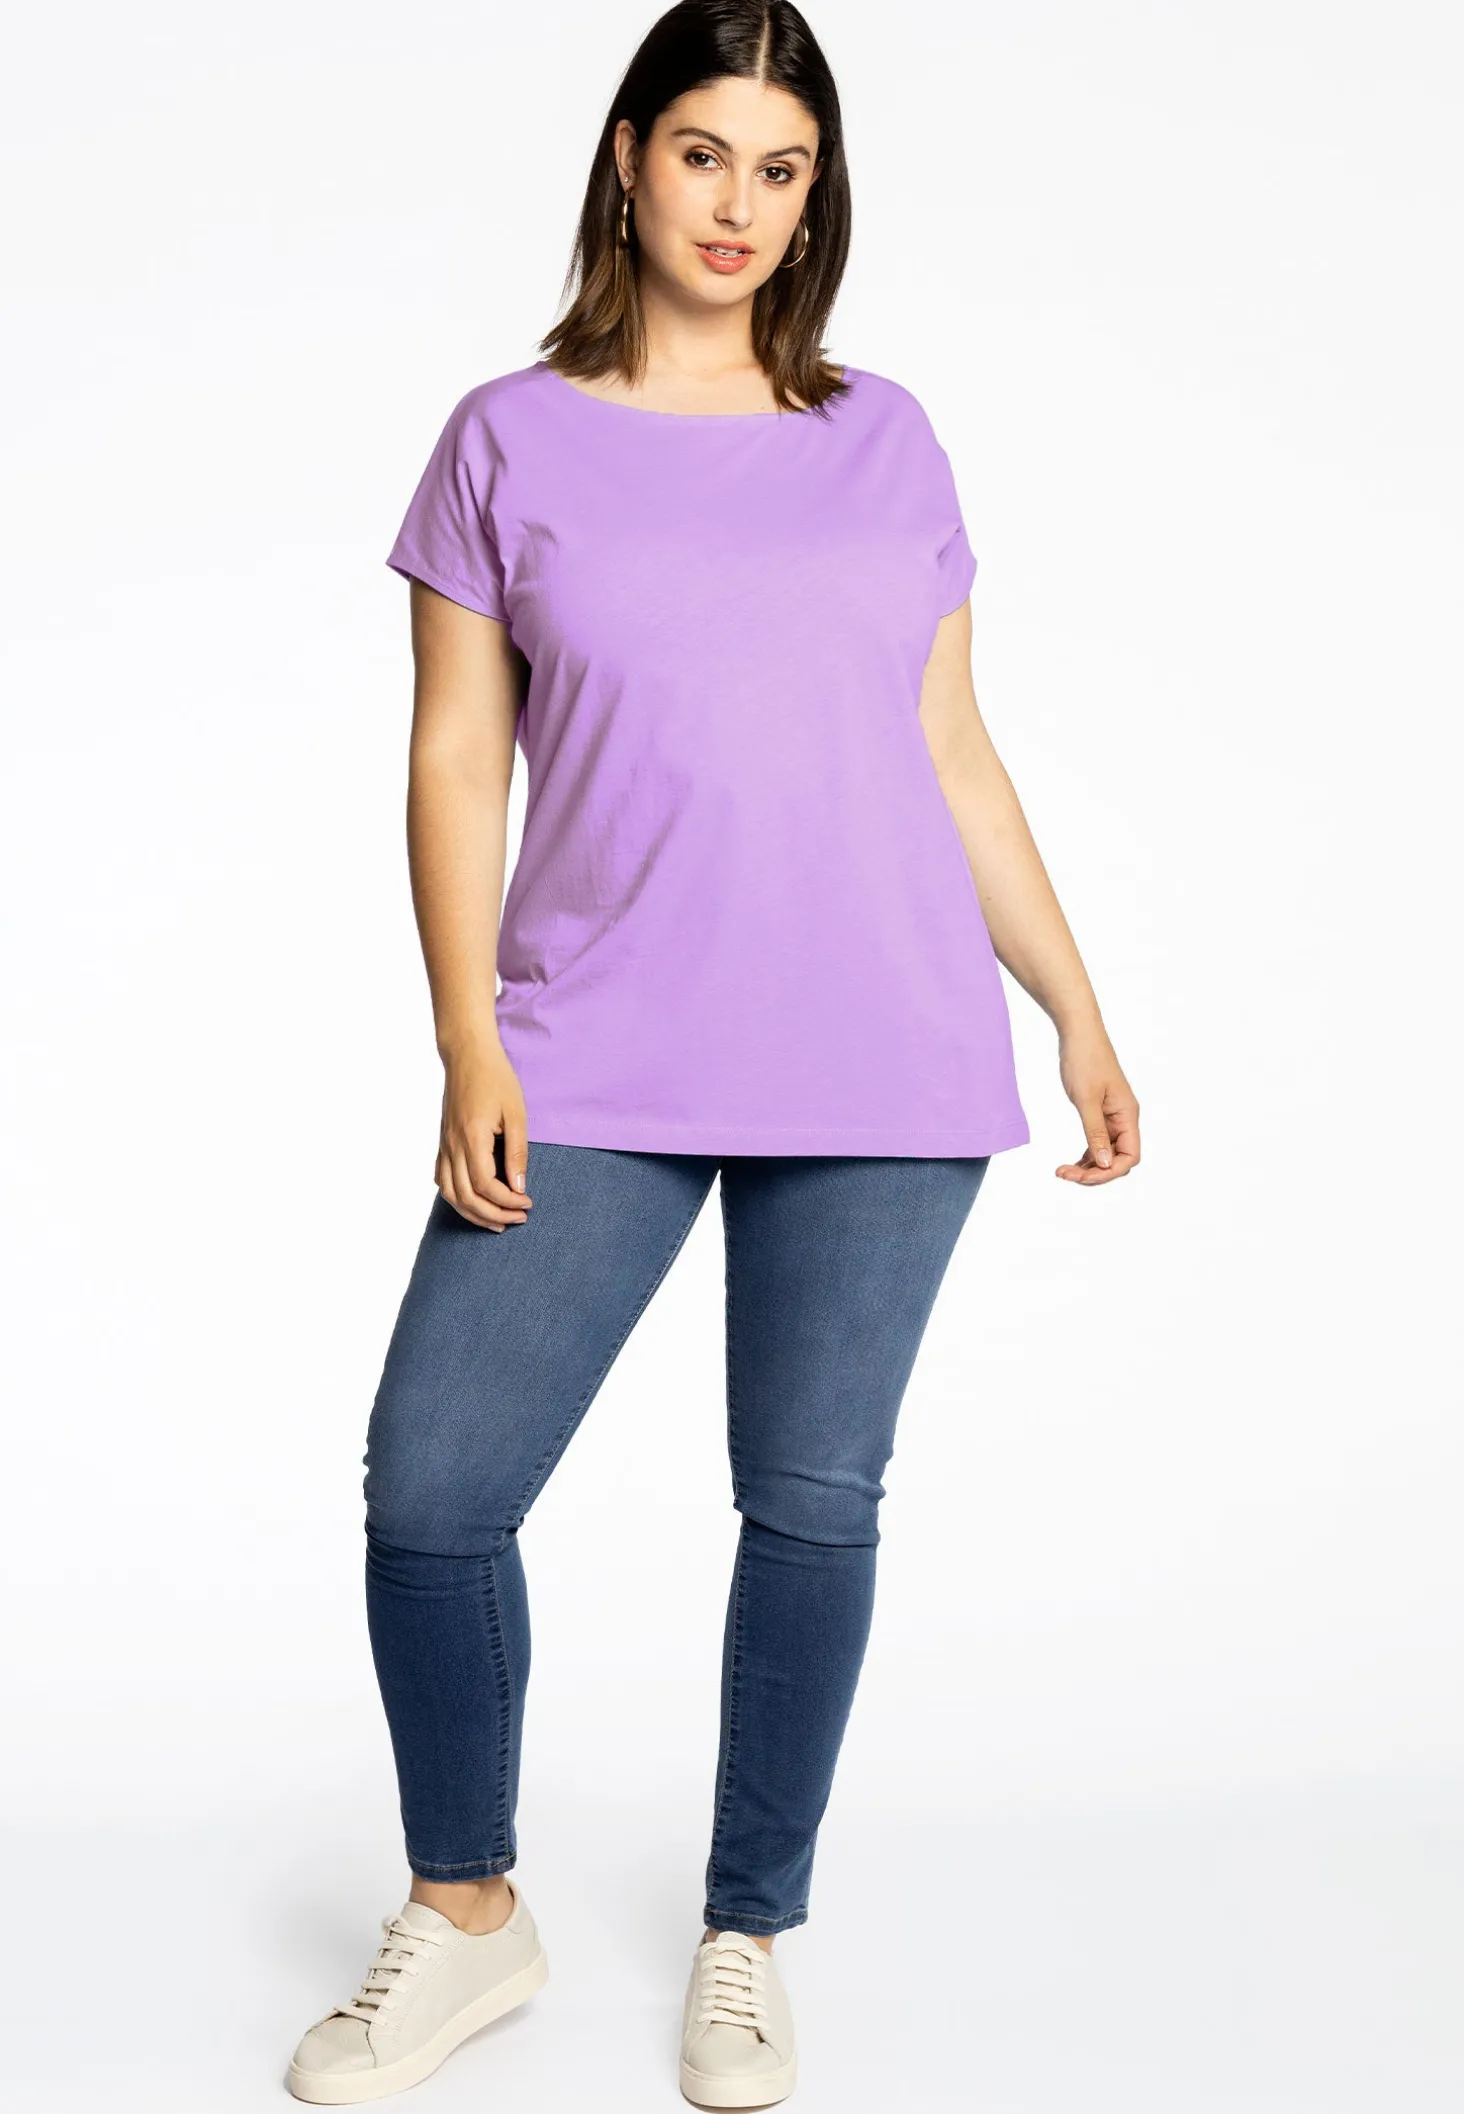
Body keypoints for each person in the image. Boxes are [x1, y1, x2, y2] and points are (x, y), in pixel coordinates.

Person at [286, 1, 1140, 2105]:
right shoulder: (507, 436)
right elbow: (455, 752)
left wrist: (1076, 1002)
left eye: (783, 168)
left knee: (812, 1500)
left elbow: (950, 747)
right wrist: (467, 1034)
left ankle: (750, 1931)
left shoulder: (885, 435)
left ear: (815, 194)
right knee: (434, 1489)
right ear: (627, 158)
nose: (740, 205)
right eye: (704, 154)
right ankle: (469, 1911)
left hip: (882, 1044)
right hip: (591, 1046)